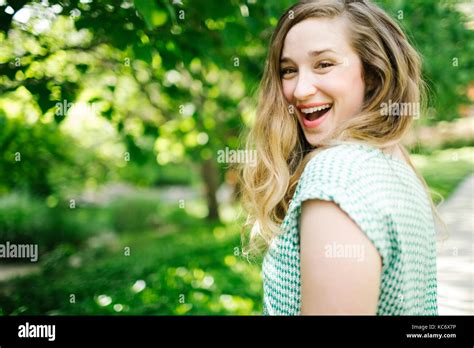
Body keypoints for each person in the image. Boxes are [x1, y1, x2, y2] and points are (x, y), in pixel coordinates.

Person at [240, 0, 445, 315]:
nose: (300, 90)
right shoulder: (394, 160)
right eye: (288, 70)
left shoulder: (336, 174)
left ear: (374, 74)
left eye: (324, 64)